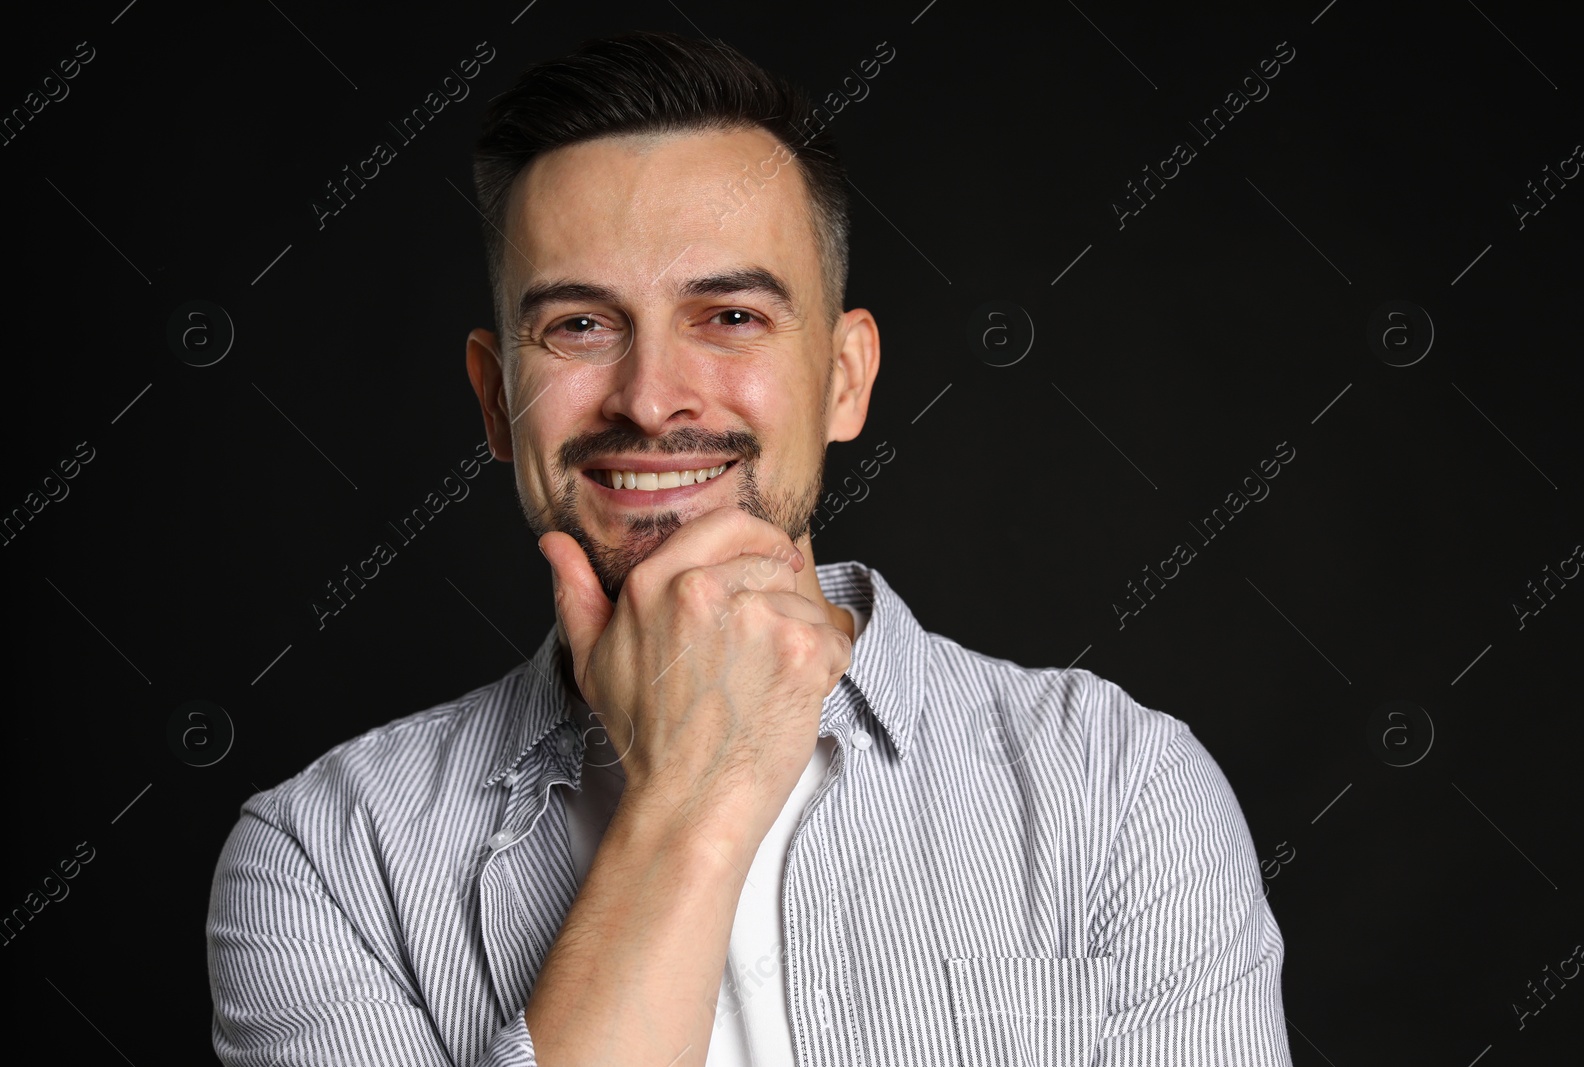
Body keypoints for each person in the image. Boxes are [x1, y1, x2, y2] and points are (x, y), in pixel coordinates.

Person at [206, 30, 1292, 1066]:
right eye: (579, 325)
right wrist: (692, 797)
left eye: (728, 315)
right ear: (497, 400)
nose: (650, 398)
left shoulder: (1119, 790)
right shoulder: (329, 858)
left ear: (843, 376)